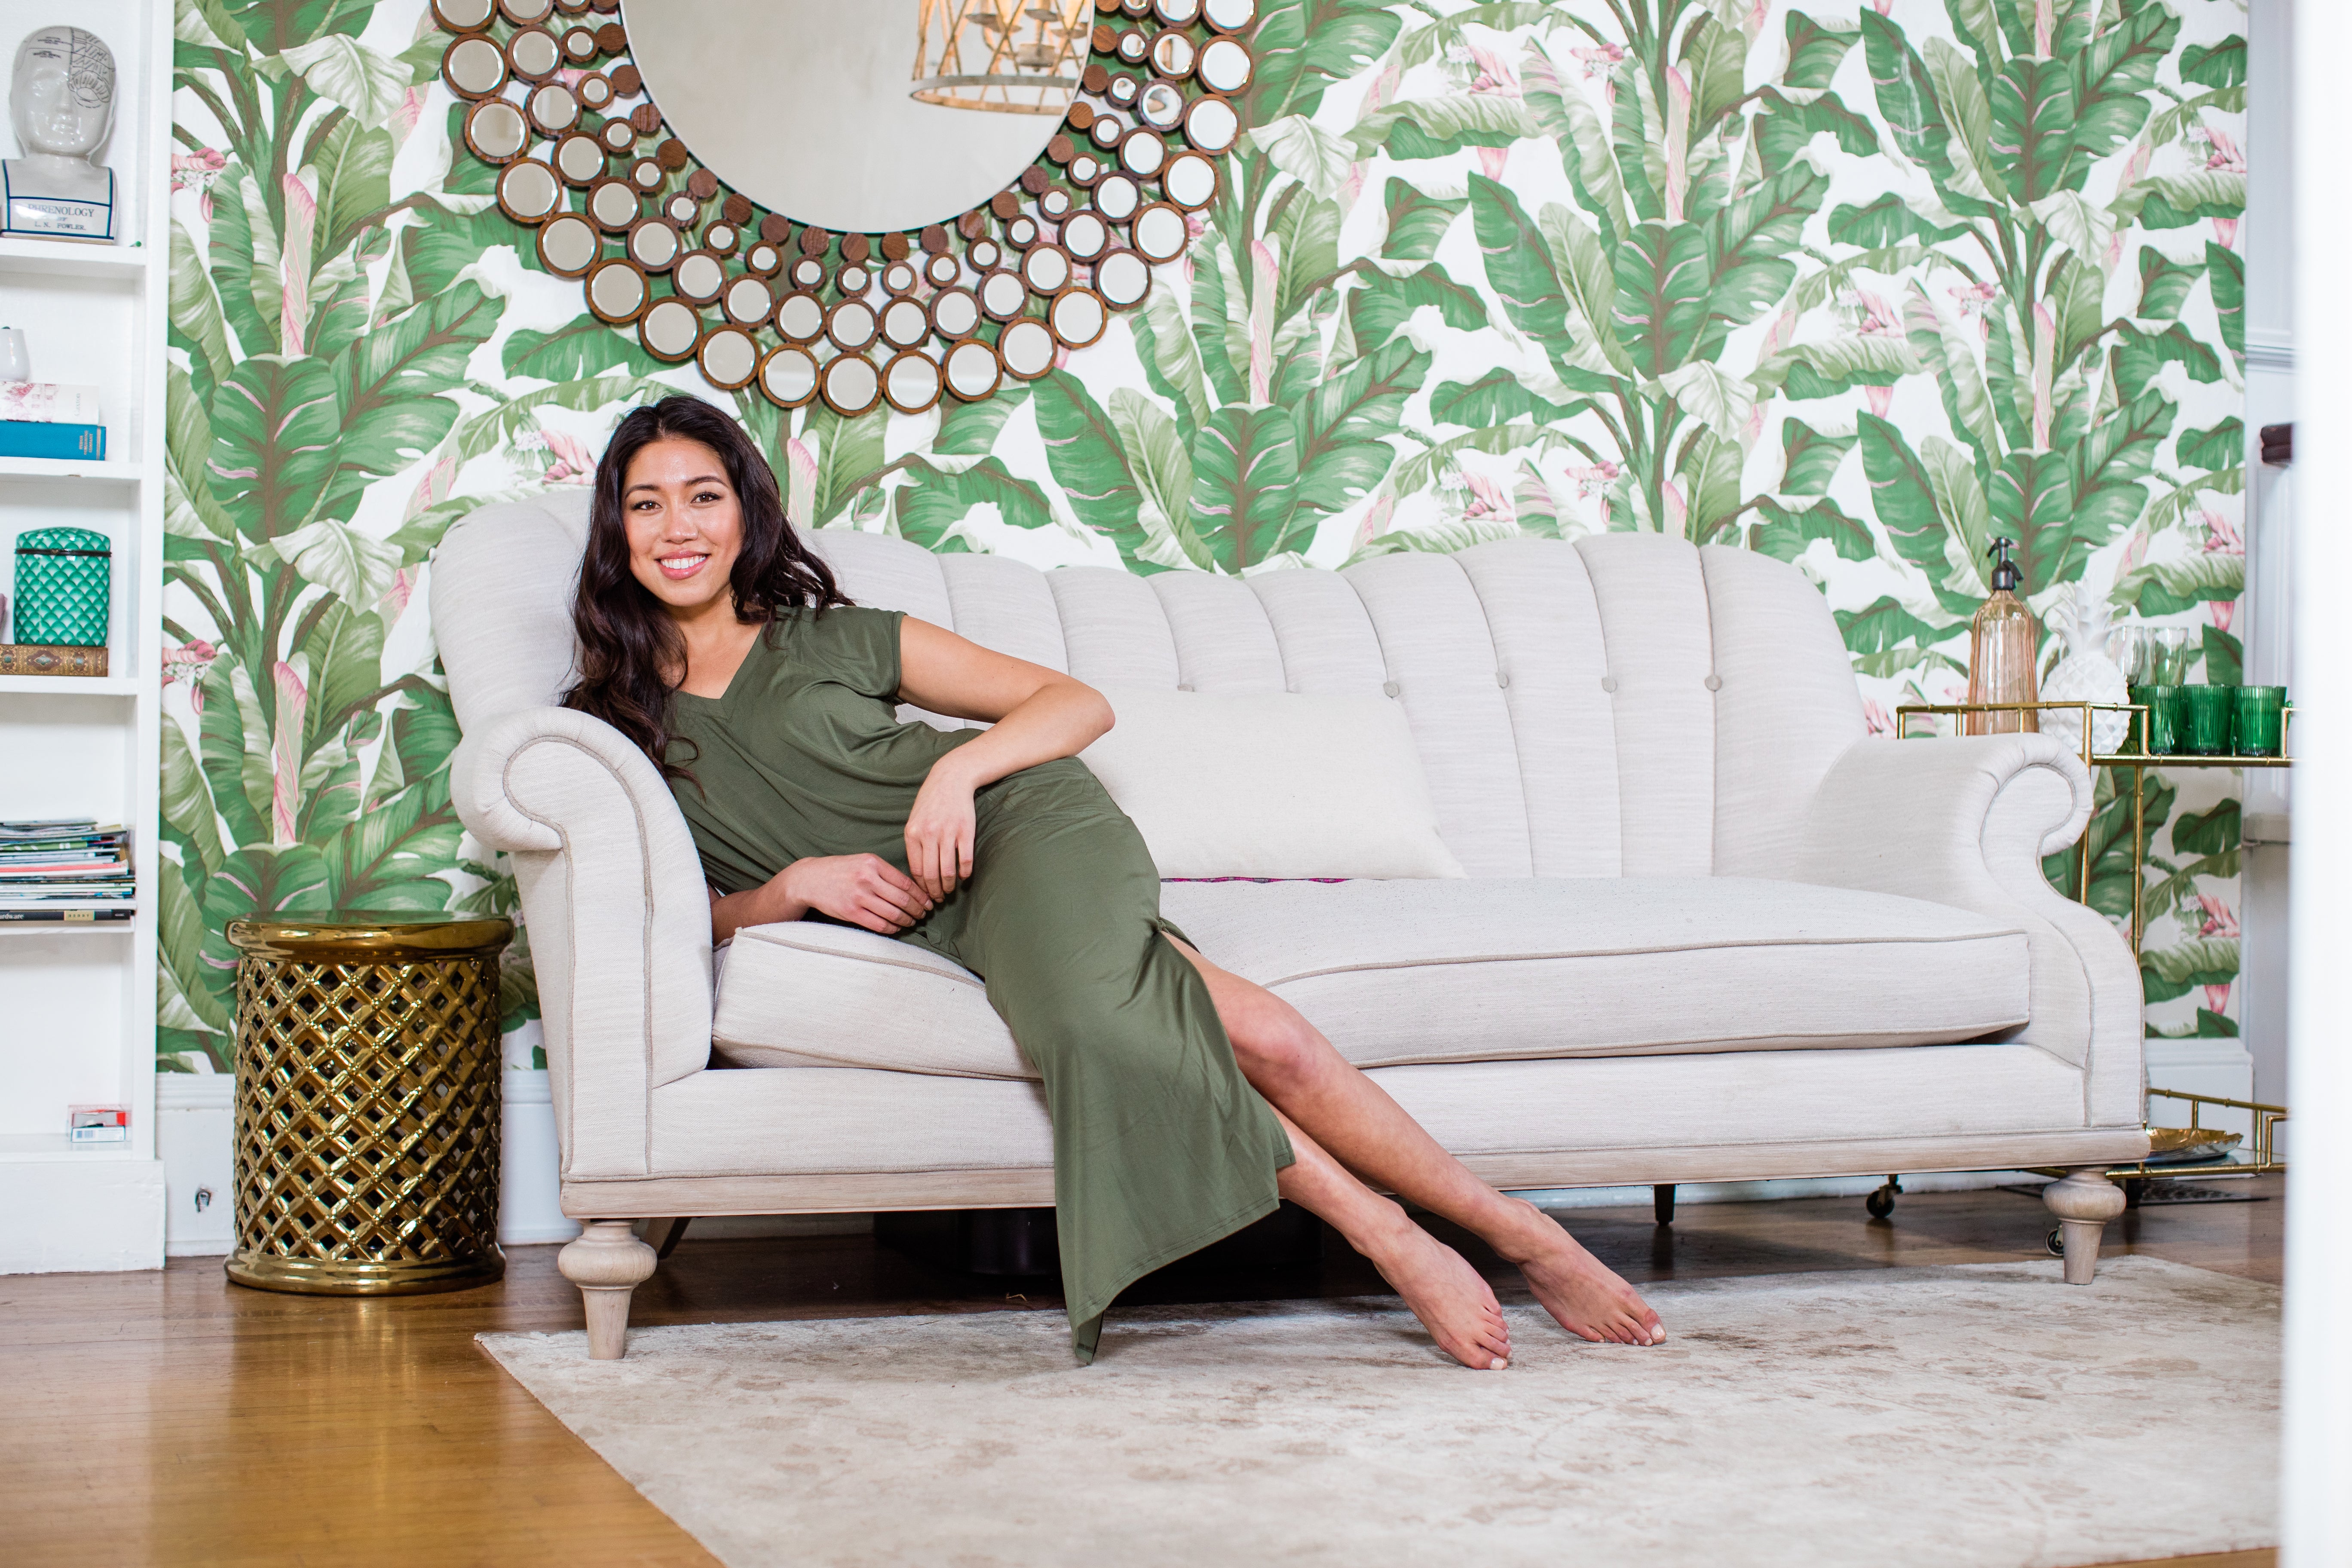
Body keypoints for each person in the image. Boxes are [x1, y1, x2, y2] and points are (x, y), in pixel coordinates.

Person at [564, 396, 1666, 1366]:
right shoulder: (609, 730)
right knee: (1268, 1041)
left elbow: (1074, 704)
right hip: (939, 919)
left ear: (747, 514)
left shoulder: (842, 640)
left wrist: (958, 769)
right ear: (616, 528)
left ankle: (1417, 1240)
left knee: (1103, 1020)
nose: (679, 528)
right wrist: (792, 887)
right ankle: (1497, 1228)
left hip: (1024, 831)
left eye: (703, 496)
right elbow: (668, 916)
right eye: (648, 503)